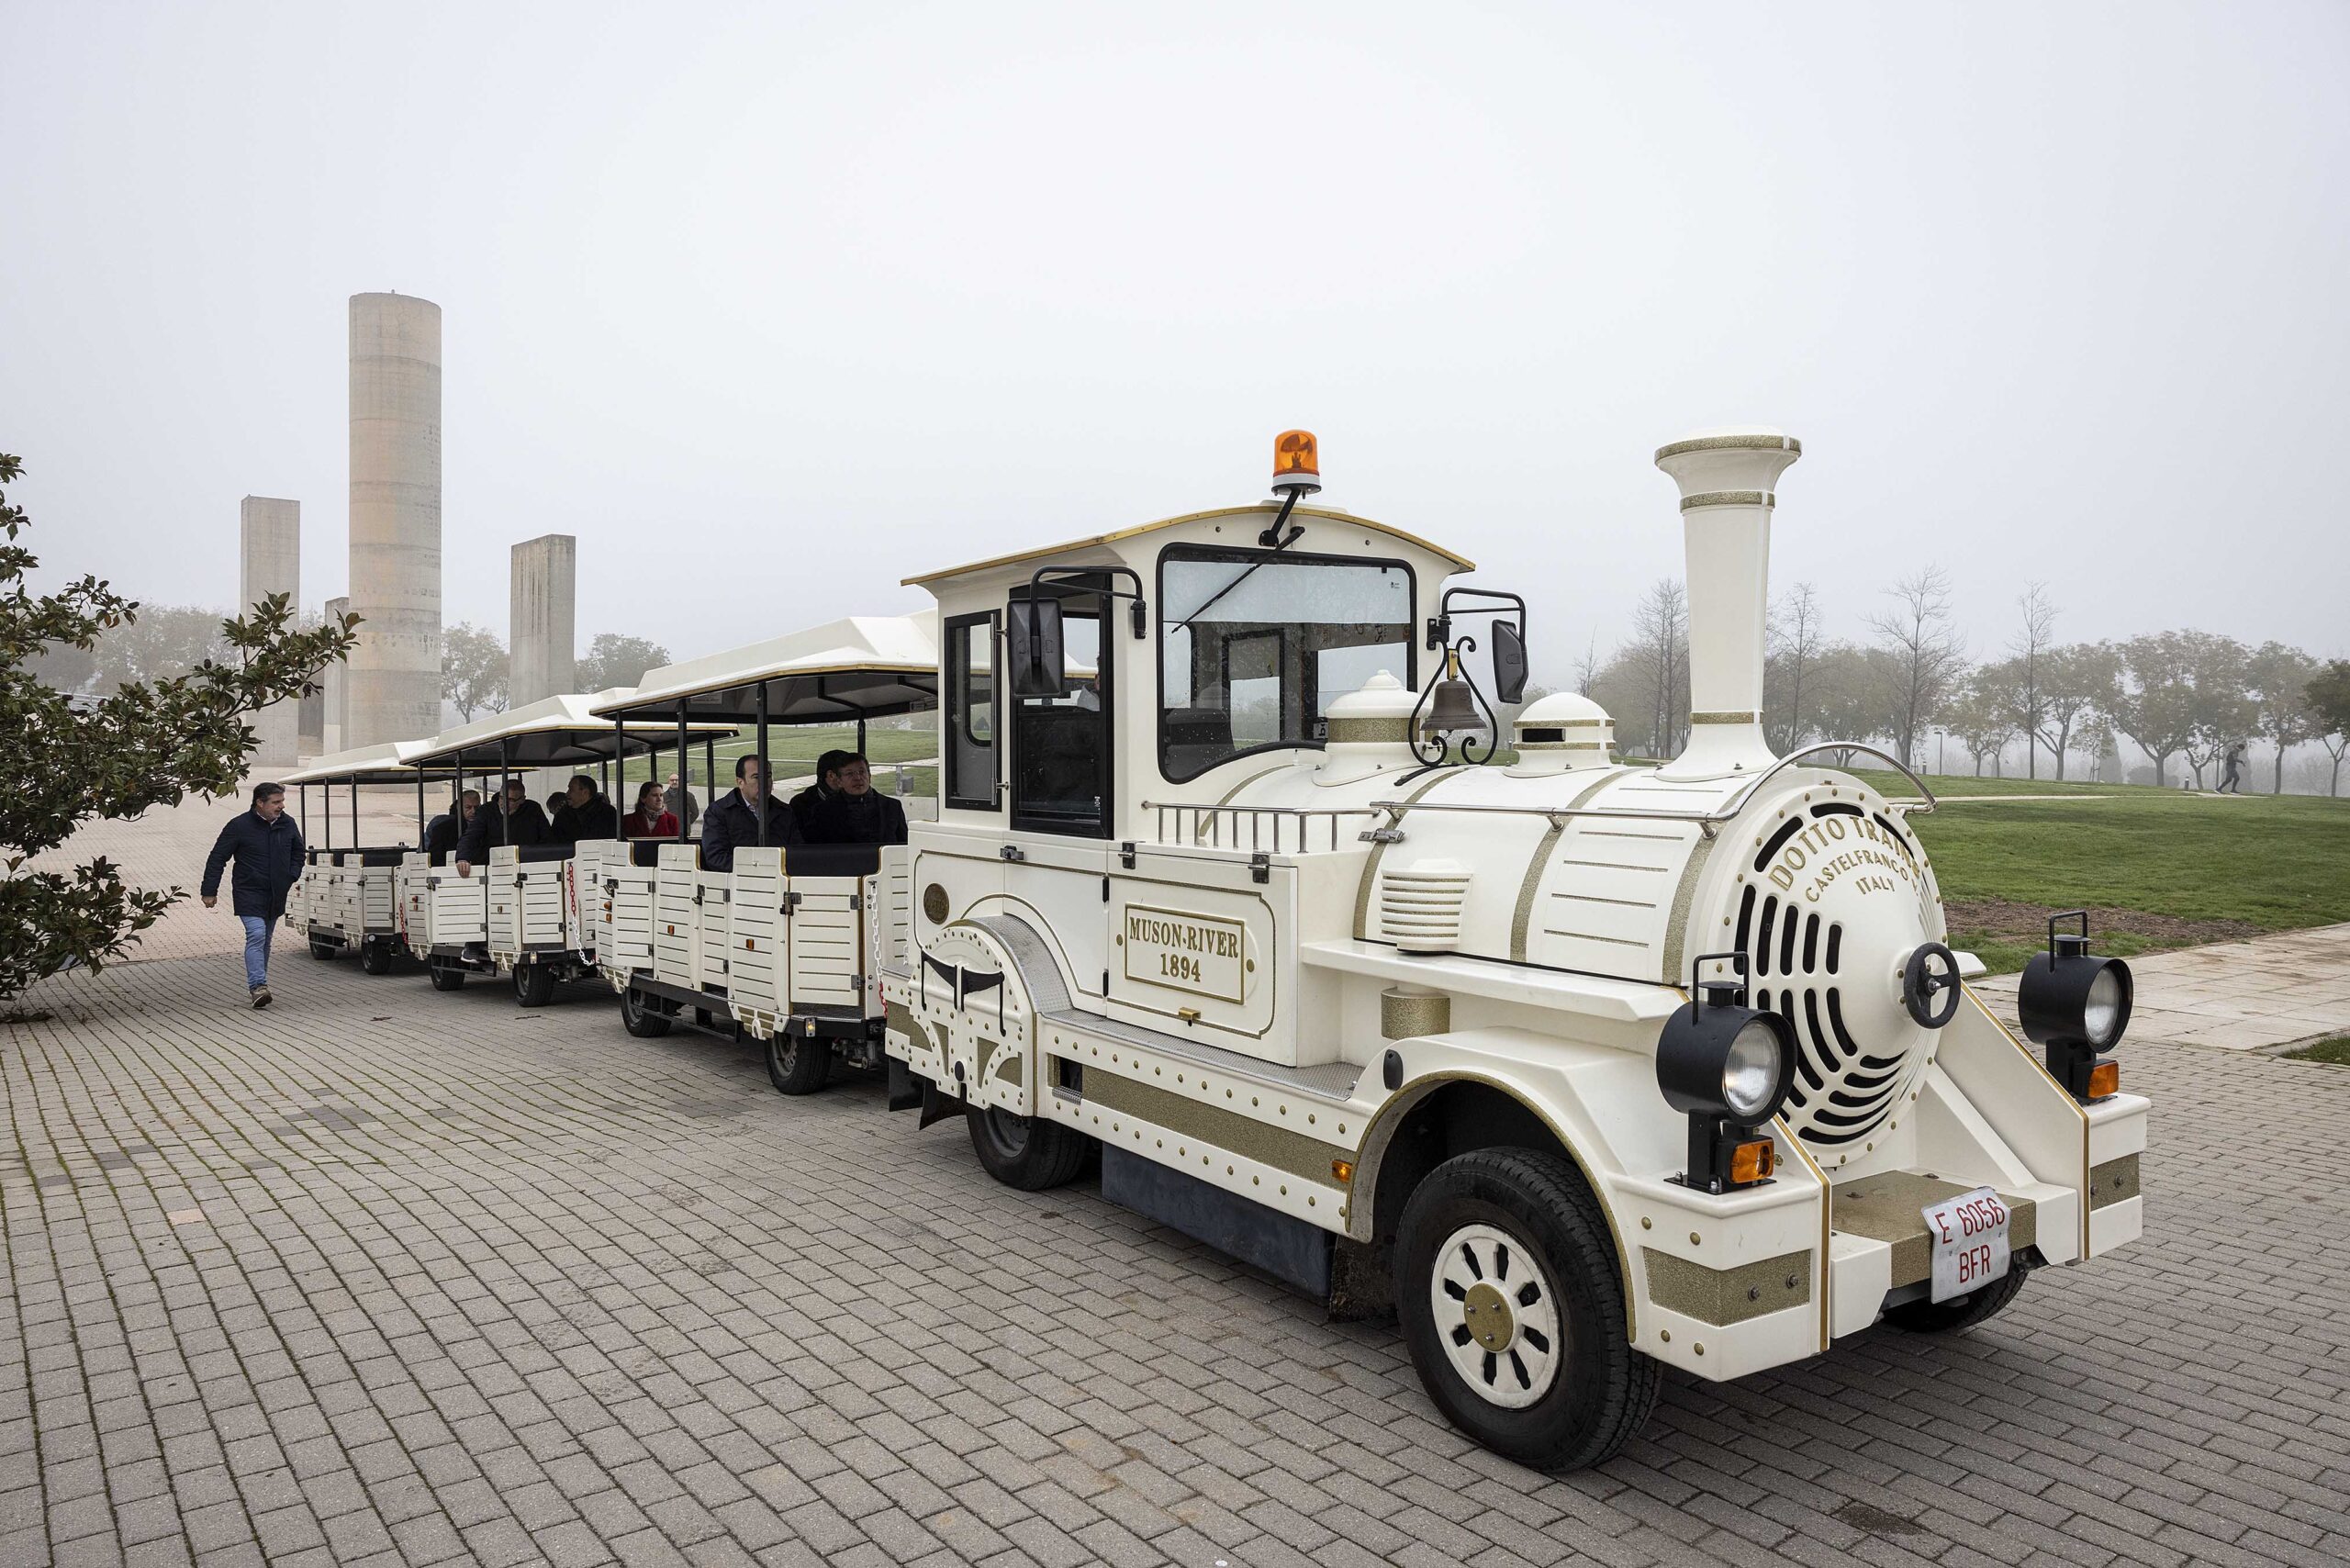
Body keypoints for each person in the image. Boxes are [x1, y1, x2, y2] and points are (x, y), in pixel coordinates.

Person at [200, 781, 305, 1008]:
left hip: (277, 892)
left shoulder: (287, 824)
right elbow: (217, 858)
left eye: (282, 801)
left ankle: (260, 988)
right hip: (248, 891)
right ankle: (258, 985)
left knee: (265, 940)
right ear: (260, 802)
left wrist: (291, 875)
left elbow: (299, 851)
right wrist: (209, 890)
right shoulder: (239, 826)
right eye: (276, 802)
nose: (281, 806)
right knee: (256, 934)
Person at [700, 755, 800, 871]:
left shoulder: (784, 811)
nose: (765, 783)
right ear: (740, 782)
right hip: (739, 883)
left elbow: (797, 851)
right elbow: (716, 858)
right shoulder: (719, 812)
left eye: (768, 776)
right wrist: (757, 869)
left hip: (780, 880)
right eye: (756, 777)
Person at [792, 749, 909, 846]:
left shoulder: (893, 806)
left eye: (862, 772)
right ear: (839, 781)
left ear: (870, 776)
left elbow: (905, 846)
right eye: (849, 774)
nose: (857, 778)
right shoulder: (822, 811)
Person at [453, 778, 550, 878]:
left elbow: (546, 837)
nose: (504, 803)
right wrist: (462, 858)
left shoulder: (533, 809)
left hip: (527, 866)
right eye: (501, 798)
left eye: (511, 800)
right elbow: (471, 836)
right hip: (493, 867)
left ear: (522, 800)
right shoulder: (486, 811)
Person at [550, 773, 619, 844]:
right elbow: (554, 841)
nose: (567, 794)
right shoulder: (563, 814)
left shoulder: (606, 813)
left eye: (571, 790)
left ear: (585, 792)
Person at [425, 790, 479, 861]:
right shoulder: (444, 828)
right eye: (468, 807)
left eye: (476, 807)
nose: (473, 811)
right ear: (459, 807)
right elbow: (436, 857)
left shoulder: (485, 826)